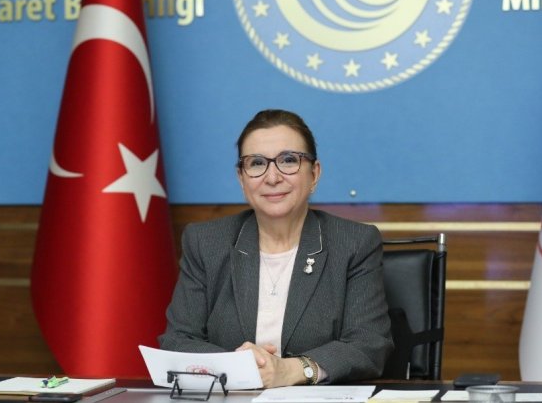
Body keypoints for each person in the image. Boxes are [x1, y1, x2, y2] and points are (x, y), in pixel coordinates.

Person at [159, 109, 393, 388]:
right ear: (241, 178)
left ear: (314, 173)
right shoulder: (206, 242)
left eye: (288, 160)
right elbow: (177, 341)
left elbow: (369, 344)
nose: (272, 177)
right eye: (257, 163)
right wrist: (239, 367)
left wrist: (294, 370)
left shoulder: (354, 243)